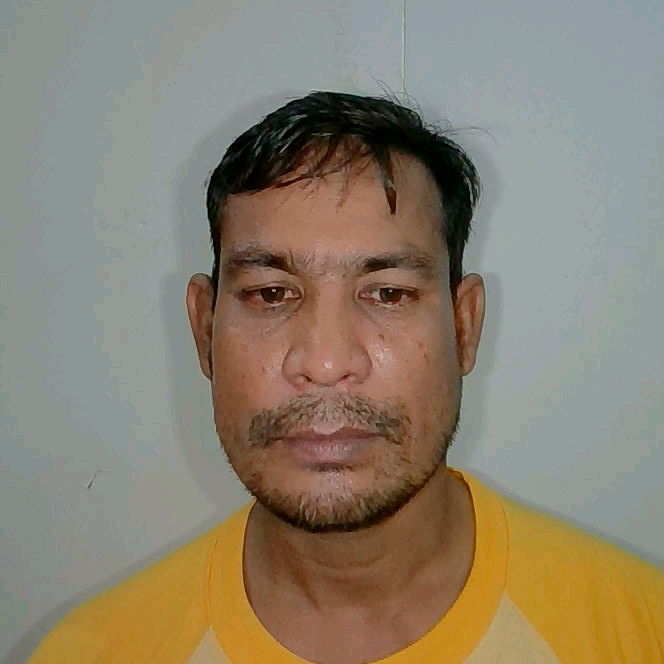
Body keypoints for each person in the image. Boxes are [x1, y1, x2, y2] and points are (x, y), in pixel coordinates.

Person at [30, 91, 663, 663]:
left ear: (464, 326)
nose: (327, 362)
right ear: (203, 330)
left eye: (387, 293)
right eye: (271, 293)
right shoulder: (91, 652)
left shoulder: (641, 633)